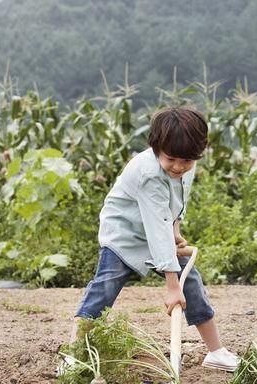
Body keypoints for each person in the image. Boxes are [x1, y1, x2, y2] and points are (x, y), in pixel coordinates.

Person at [59, 107, 239, 374]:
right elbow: (156, 227)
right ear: (155, 148)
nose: (179, 167)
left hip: (161, 230)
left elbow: (176, 202)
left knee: (191, 282)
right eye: (171, 159)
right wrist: (171, 286)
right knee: (104, 288)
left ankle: (216, 352)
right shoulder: (149, 174)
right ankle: (73, 356)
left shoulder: (185, 161)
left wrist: (176, 229)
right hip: (125, 234)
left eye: (187, 161)